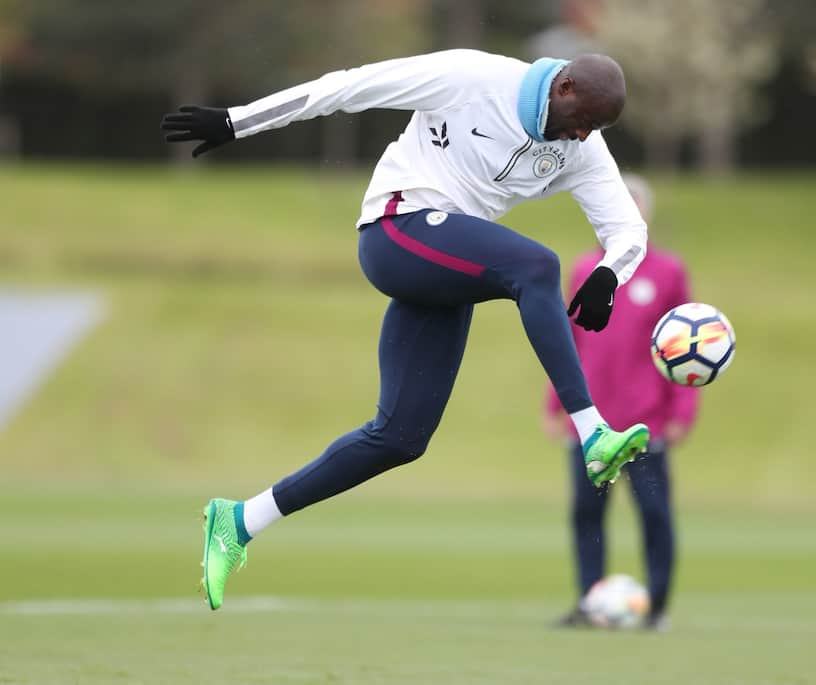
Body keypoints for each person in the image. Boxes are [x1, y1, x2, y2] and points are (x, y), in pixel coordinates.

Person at [161, 50, 652, 611]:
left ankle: (240, 521)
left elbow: (628, 230)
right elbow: (346, 87)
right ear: (563, 86)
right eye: (583, 119)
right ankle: (593, 433)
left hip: (446, 268)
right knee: (536, 268)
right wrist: (235, 121)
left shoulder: (580, 148)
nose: (584, 135)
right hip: (397, 230)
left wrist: (612, 271)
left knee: (400, 438)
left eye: (597, 129)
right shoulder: (473, 77)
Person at [544, 174, 699, 632]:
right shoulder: (584, 270)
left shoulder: (668, 273)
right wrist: (556, 402)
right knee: (587, 515)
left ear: (643, 216)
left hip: (646, 423)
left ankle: (656, 608)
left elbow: (685, 347)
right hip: (592, 423)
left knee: (654, 514)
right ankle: (592, 602)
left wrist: (681, 412)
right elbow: (567, 341)